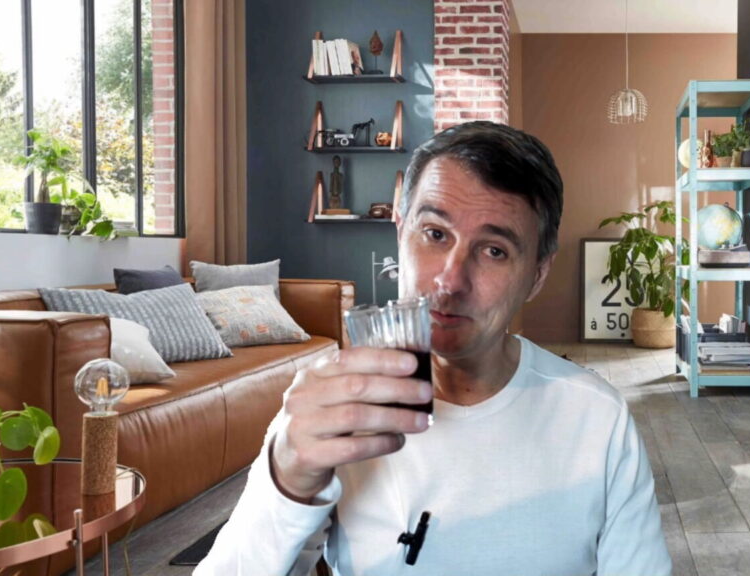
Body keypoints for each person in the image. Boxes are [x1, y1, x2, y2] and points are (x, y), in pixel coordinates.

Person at [196, 122, 672, 575]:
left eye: (494, 250)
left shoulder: (597, 419)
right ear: (400, 230)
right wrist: (286, 478)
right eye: (435, 234)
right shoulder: (331, 407)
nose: (450, 279)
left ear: (538, 275)